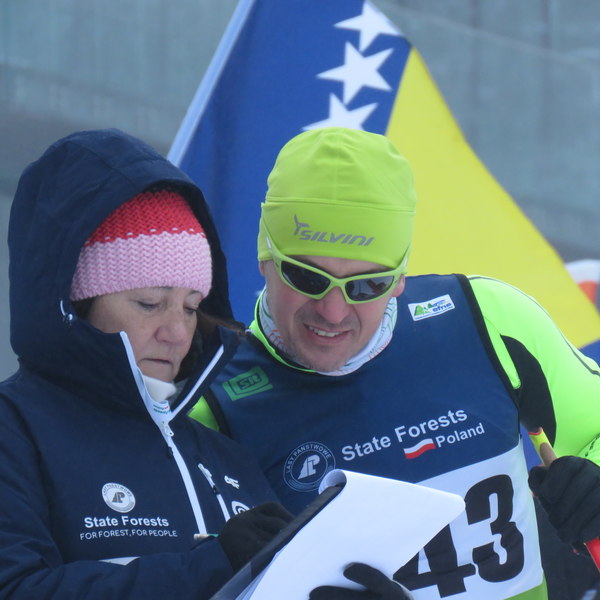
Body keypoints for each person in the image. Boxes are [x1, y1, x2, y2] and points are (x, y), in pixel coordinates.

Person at [0, 128, 413, 600]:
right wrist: (208, 569)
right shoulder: (15, 431)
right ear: (76, 303)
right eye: (150, 303)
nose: (177, 333)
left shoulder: (224, 457)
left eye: (191, 307)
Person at [191, 127, 600, 600]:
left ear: (401, 276)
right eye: (307, 277)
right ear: (265, 256)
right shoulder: (211, 404)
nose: (333, 311)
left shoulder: (486, 318)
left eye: (367, 285)